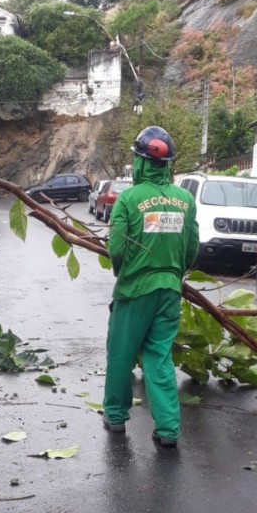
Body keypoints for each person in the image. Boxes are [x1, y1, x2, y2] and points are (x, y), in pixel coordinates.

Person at [102, 126, 199, 448]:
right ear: (168, 164)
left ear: (141, 162)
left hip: (134, 292)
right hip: (169, 291)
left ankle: (116, 415)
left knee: (121, 353)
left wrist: (122, 273)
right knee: (159, 356)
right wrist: (176, 274)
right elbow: (192, 247)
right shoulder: (185, 200)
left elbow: (117, 249)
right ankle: (168, 429)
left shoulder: (129, 199)